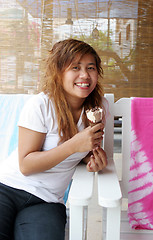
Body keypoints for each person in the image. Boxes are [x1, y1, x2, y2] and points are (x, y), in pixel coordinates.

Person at [0, 38, 108, 240]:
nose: (84, 75)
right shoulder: (41, 105)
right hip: (6, 188)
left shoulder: (98, 108)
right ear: (59, 72)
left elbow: (85, 150)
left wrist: (91, 160)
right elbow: (25, 165)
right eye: (75, 67)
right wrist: (73, 146)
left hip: (47, 201)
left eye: (91, 67)